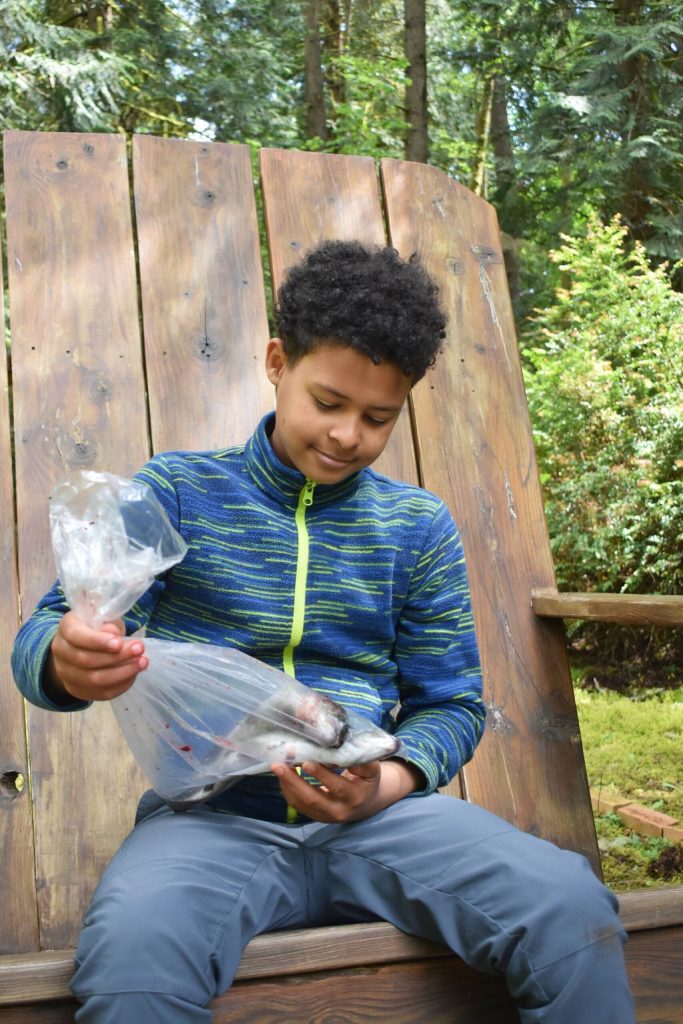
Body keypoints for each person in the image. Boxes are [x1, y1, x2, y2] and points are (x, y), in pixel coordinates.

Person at [12, 241, 634, 1023]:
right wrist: (71, 659)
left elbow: (453, 704)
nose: (347, 435)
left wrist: (391, 780)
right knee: (133, 967)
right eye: (328, 402)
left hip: (387, 821)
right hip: (209, 825)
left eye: (379, 418)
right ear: (277, 362)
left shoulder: (415, 527)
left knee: (568, 909)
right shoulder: (179, 491)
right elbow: (49, 635)